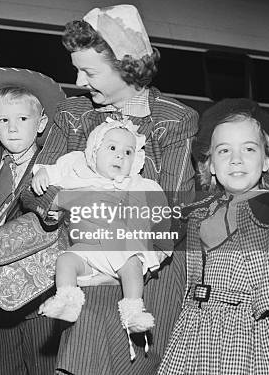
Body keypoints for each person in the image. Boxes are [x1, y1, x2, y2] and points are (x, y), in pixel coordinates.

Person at [20, 4, 198, 374]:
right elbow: (32, 190)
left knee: (112, 336)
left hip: (149, 263)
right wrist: (63, 204)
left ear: (127, 65)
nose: (80, 82)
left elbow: (171, 214)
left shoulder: (173, 121)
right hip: (77, 252)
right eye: (77, 71)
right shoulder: (72, 113)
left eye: (89, 71)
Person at [157, 99, 269, 374]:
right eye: (224, 150)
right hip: (193, 337)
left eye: (248, 149)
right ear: (211, 164)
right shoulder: (196, 215)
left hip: (252, 340)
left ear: (266, 160)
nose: (235, 159)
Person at [32, 118, 172, 359]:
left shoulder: (140, 185)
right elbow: (52, 173)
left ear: (136, 159)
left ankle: (133, 310)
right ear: (94, 152)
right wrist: (42, 173)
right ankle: (67, 299)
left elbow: (163, 223)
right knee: (65, 260)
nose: (120, 156)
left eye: (128, 152)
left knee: (132, 263)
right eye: (112, 148)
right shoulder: (79, 171)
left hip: (120, 247)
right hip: (88, 249)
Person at [0, 68, 66, 375]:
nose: (13, 128)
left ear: (41, 124)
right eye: (4, 121)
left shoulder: (52, 165)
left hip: (38, 284)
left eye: (23, 119)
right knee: (7, 364)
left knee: (41, 364)